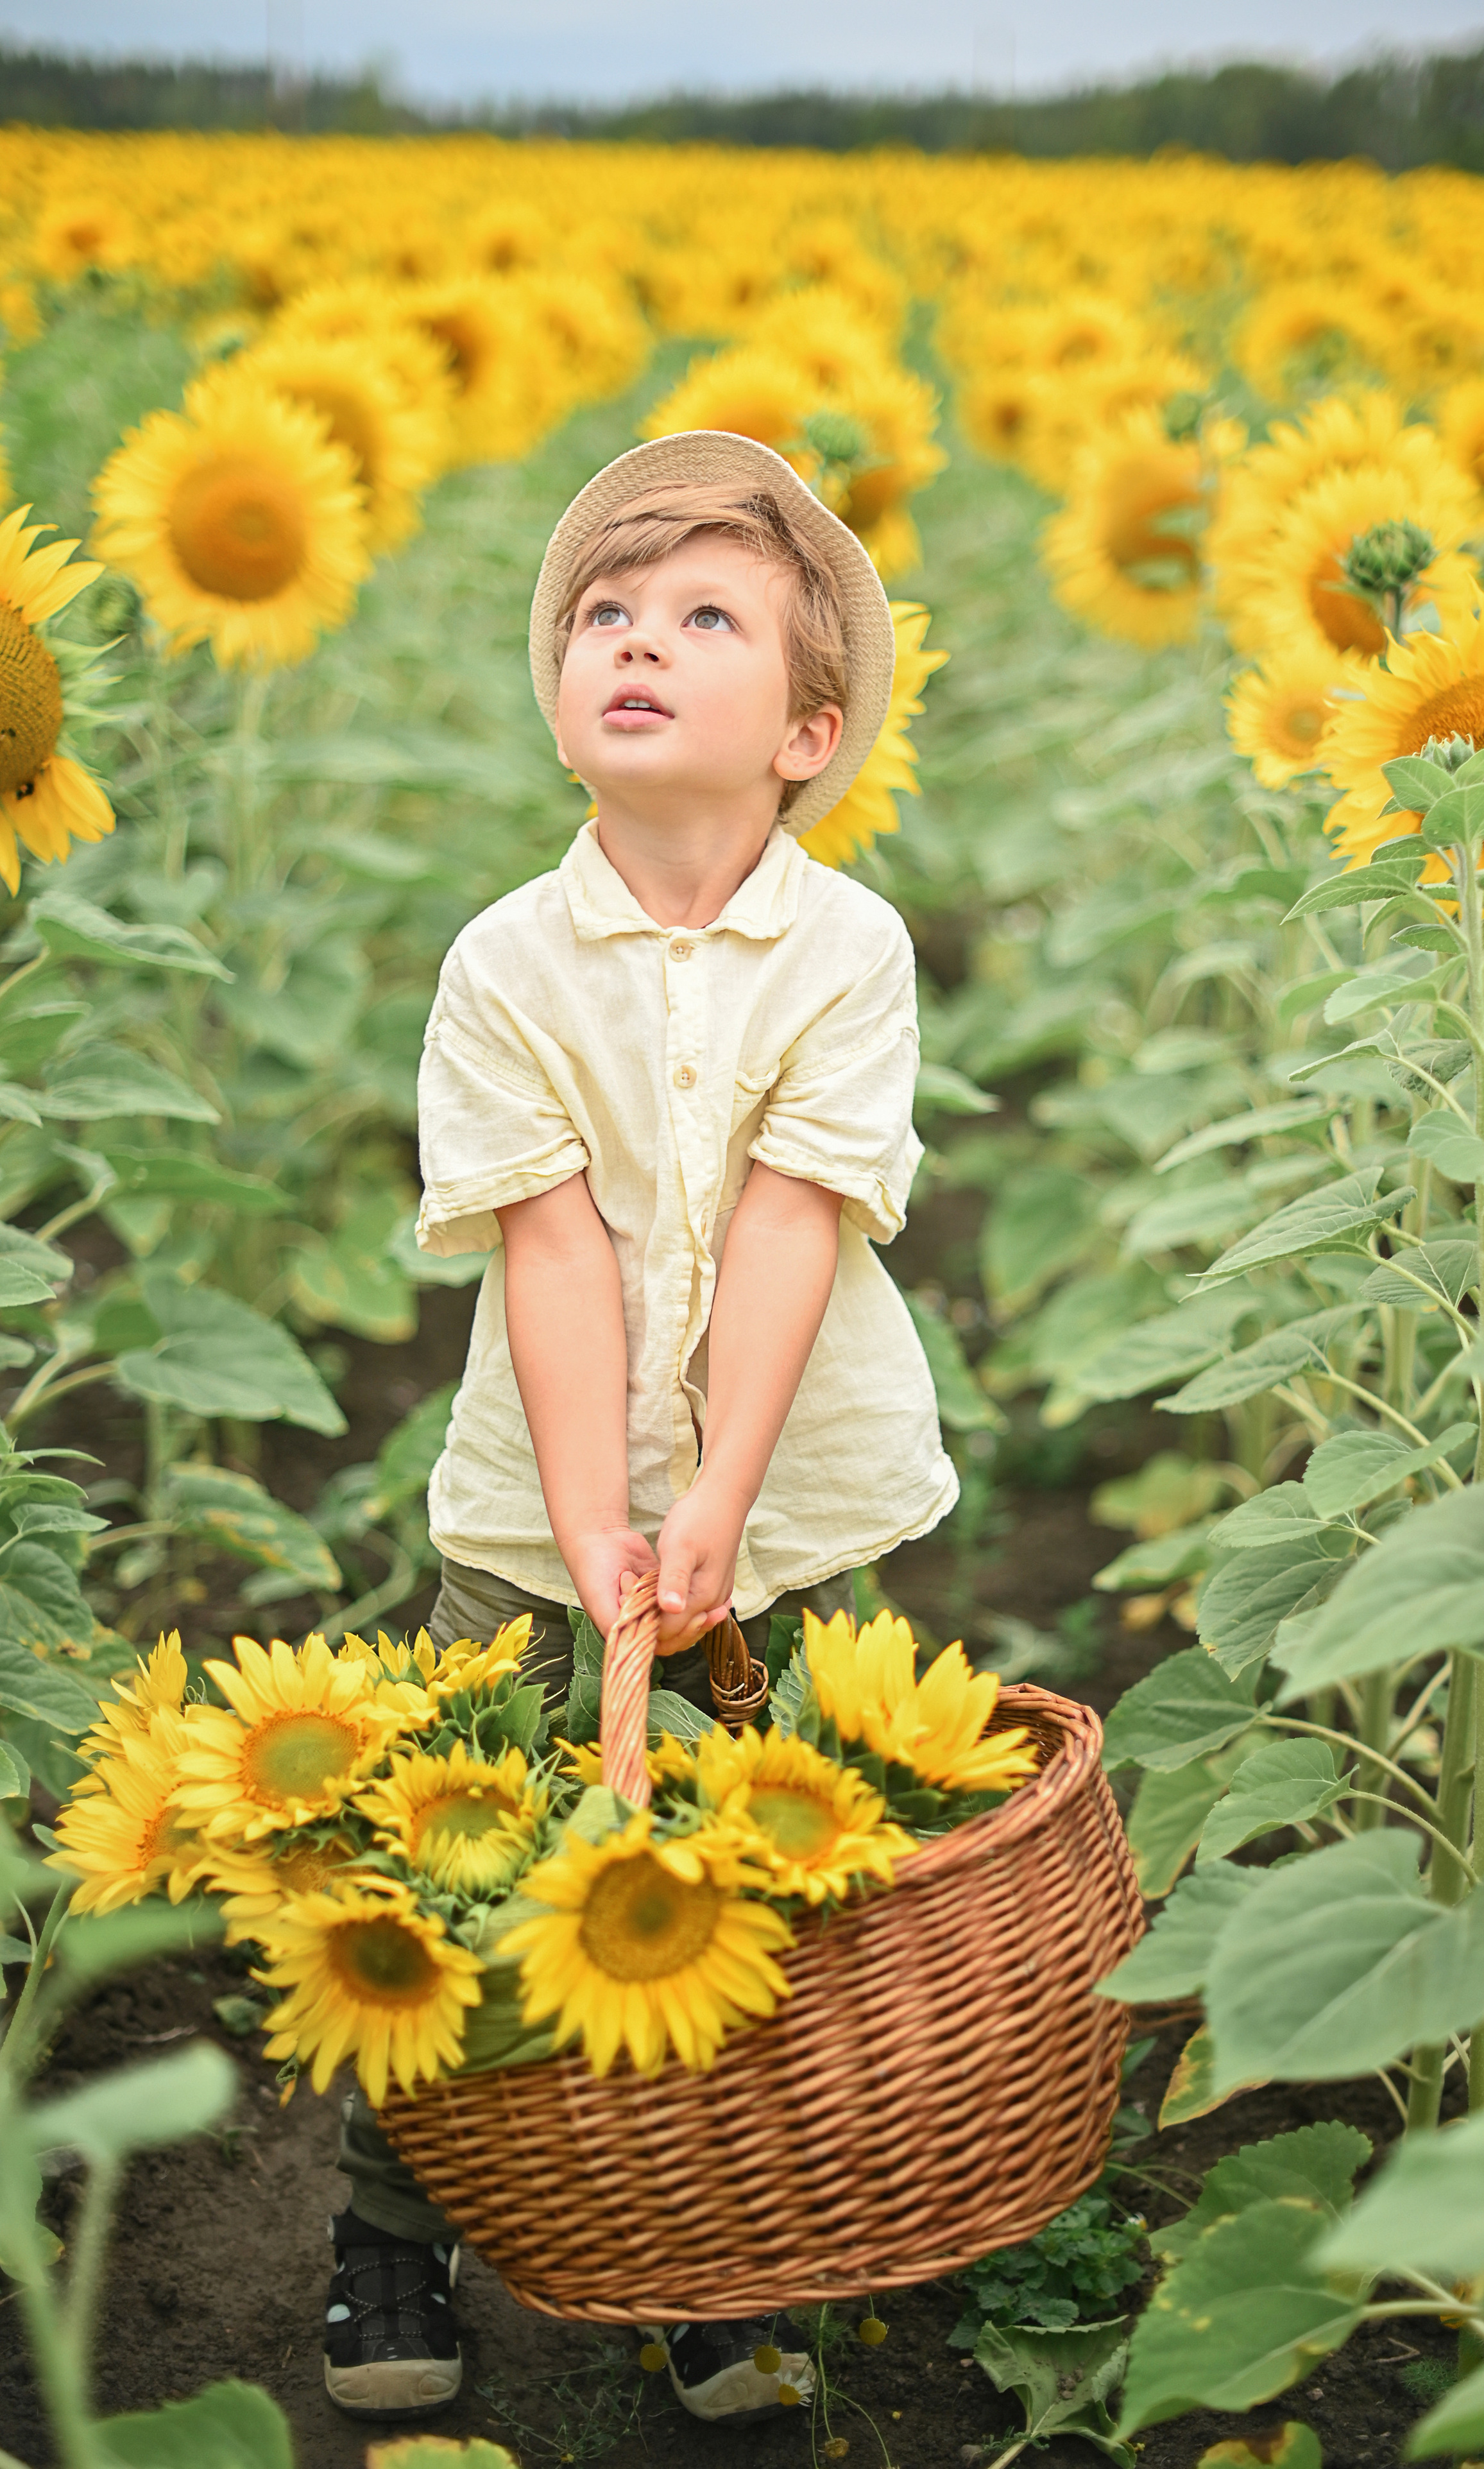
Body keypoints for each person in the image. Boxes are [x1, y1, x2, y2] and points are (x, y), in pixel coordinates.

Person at [320, 430, 958, 2428]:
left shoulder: (851, 953)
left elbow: (791, 1226)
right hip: (538, 1516)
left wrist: (720, 1513)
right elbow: (552, 1252)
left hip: (797, 1510)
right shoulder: (506, 963)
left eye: (701, 617)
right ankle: (392, 2226)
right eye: (603, 613)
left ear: (809, 735)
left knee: (776, 1878)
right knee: (464, 1860)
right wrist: (601, 1520)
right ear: (562, 699)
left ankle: (720, 2247)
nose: (636, 641)